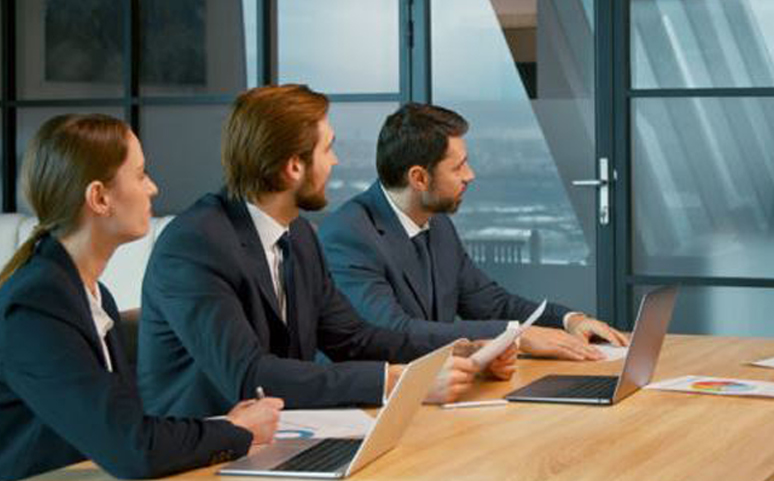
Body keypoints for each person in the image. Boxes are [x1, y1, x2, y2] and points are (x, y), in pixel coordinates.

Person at [138, 85, 514, 420]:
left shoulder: (299, 235)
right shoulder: (194, 245)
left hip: (282, 436)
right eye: (328, 148)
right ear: (294, 167)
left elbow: (354, 338)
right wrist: (391, 382)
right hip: (199, 459)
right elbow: (249, 375)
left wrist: (462, 350)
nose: (335, 162)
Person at [0, 114, 282, 481]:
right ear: (99, 197)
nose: (153, 188)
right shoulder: (36, 304)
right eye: (140, 174)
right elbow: (132, 447)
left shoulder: (93, 296)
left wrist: (224, 426)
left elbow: (128, 426)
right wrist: (237, 431)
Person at [318, 103, 626, 361]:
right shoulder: (349, 235)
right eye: (458, 167)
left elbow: (489, 302)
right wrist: (513, 337)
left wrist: (570, 320)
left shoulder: (437, 223)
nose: (470, 175)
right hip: (375, 406)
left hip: (438, 390)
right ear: (419, 178)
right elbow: (394, 331)